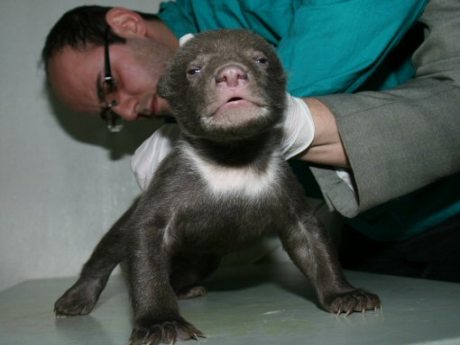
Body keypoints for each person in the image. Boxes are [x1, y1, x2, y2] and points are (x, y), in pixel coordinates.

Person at [42, 1, 460, 281]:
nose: (128, 112)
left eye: (110, 86)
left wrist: (227, 126)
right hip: (373, 235)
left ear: (127, 25)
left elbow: (351, 14)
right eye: (110, 113)